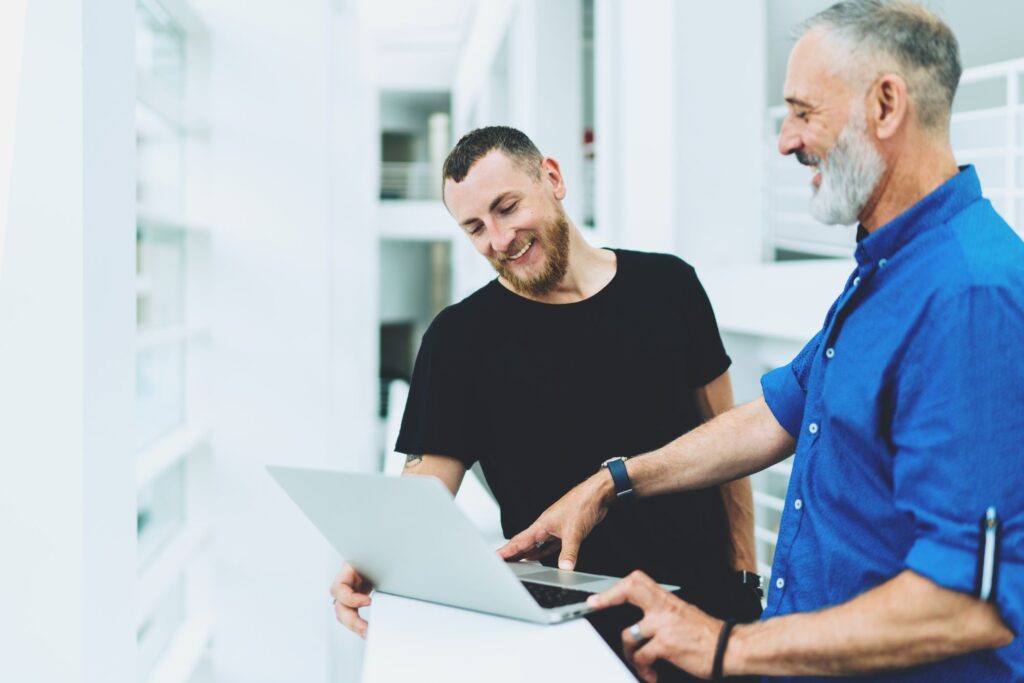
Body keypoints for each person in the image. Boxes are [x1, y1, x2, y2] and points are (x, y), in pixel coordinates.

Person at [499, 1, 1023, 681]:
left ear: (886, 105)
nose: (785, 140)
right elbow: (781, 412)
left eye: (804, 111)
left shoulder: (970, 292)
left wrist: (723, 645)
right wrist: (612, 482)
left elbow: (967, 603)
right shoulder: (888, 267)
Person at [330, 126, 762, 680]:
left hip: (698, 610)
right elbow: (424, 494)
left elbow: (727, 443)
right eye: (475, 228)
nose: (499, 239)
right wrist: (375, 555)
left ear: (552, 179)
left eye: (507, 208)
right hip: (566, 639)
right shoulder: (458, 339)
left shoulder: (670, 286)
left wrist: (744, 581)